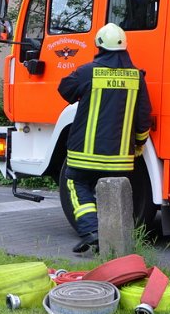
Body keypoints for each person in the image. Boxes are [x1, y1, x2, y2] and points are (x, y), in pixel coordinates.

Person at [58, 23, 152, 253]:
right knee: (114, 192)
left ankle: (92, 232)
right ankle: (114, 241)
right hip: (121, 158)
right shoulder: (137, 76)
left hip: (84, 155)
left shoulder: (87, 71)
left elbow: (64, 90)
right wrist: (139, 143)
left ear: (99, 46)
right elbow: (143, 116)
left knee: (76, 183)